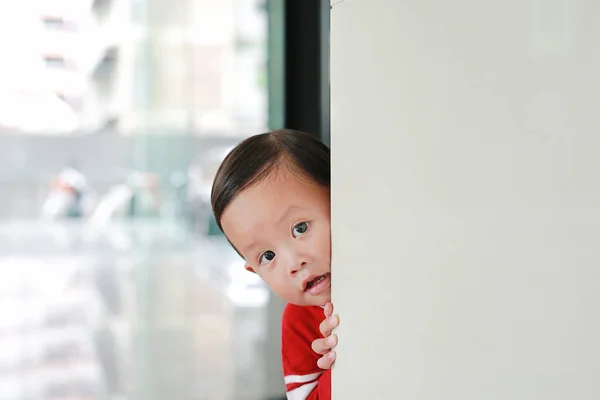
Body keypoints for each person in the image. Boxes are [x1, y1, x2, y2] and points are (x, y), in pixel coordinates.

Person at [211, 129, 339, 399]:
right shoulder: (298, 322)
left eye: (300, 228)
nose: (294, 262)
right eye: (268, 256)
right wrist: (342, 365)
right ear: (254, 271)